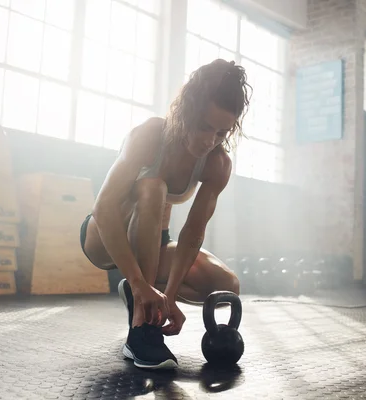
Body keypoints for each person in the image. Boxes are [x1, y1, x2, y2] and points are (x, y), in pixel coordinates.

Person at [79, 58, 252, 369]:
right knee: (153, 187)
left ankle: (143, 294)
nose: (209, 140)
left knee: (224, 284)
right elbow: (103, 208)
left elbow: (192, 233)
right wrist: (137, 280)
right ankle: (142, 332)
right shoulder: (150, 135)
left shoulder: (218, 164)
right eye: (203, 126)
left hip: (153, 243)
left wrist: (169, 296)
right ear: (187, 110)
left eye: (221, 132)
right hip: (104, 235)